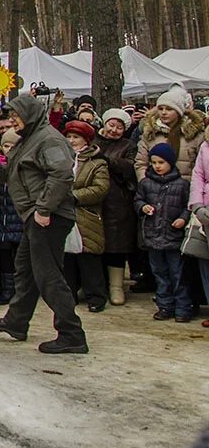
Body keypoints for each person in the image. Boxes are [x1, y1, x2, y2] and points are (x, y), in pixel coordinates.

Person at [0, 94, 88, 354]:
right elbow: (22, 174)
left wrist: (44, 208)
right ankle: (17, 321)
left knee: (48, 276)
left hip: (48, 216)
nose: (12, 121)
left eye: (16, 116)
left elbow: (62, 174)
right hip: (36, 215)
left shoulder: (49, 139)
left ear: (29, 115)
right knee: (26, 270)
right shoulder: (29, 139)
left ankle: (72, 333)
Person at [136, 143, 193, 322]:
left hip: (173, 237)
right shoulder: (146, 183)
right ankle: (165, 306)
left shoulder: (182, 185)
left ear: (170, 162)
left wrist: (183, 218)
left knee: (178, 274)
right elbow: (137, 200)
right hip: (153, 237)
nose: (157, 166)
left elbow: (187, 206)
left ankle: (182, 308)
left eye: (161, 162)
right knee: (160, 274)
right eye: (153, 162)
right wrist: (143, 207)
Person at [63, 120, 109, 312]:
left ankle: (96, 297)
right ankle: (68, 295)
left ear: (86, 140)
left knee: (88, 257)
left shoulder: (97, 163)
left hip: (86, 214)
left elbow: (100, 188)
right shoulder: (61, 159)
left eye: (76, 137)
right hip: (63, 213)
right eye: (69, 137)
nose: (72, 141)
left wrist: (74, 196)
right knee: (66, 258)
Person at [97, 108, 139, 305]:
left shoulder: (128, 145)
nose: (114, 130)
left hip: (118, 201)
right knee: (95, 244)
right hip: (95, 200)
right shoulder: (93, 141)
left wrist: (108, 161)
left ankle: (116, 286)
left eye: (119, 127)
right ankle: (96, 284)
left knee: (116, 245)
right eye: (111, 125)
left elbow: (130, 167)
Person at [135, 85, 205, 182]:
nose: (163, 112)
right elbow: (141, 163)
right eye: (160, 108)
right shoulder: (150, 133)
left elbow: (202, 166)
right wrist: (146, 184)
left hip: (186, 189)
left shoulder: (194, 133)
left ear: (178, 111)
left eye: (169, 109)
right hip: (155, 190)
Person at [0, 130, 23, 305]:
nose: (9, 149)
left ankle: (21, 289)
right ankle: (7, 288)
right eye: (6, 146)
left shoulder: (25, 165)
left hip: (18, 219)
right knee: (3, 257)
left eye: (13, 146)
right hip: (0, 219)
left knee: (20, 258)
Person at [191, 138, 209, 328]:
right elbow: (198, 176)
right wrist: (197, 206)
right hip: (205, 212)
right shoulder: (205, 145)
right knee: (205, 261)